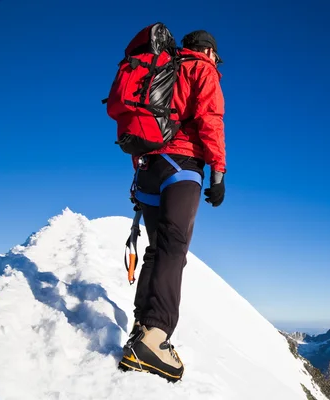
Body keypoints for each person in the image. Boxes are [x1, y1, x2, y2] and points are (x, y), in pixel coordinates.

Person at [118, 30, 226, 382]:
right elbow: (210, 118)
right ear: (208, 51)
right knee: (173, 248)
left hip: (148, 168)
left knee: (156, 248)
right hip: (182, 166)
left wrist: (142, 162)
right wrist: (218, 172)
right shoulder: (201, 69)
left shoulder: (159, 66)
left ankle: (141, 328)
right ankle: (156, 337)